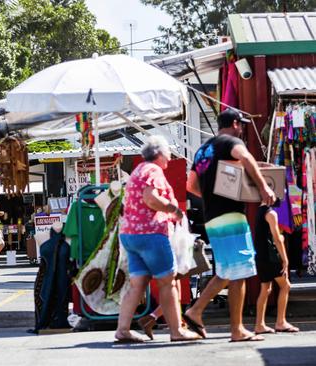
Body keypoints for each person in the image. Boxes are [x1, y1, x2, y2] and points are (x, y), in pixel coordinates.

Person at [185, 108, 276, 342]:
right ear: (235, 123)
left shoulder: (203, 150)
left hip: (212, 217)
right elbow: (245, 158)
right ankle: (235, 329)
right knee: (240, 271)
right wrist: (264, 187)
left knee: (228, 270)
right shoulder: (231, 142)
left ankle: (196, 311)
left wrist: (212, 195)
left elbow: (191, 185)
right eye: (241, 124)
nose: (242, 128)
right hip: (231, 215)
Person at [115, 135, 201, 343]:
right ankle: (176, 330)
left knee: (137, 284)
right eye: (169, 153)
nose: (170, 158)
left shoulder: (138, 170)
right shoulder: (153, 170)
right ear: (160, 153)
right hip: (151, 233)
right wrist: (174, 210)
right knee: (167, 282)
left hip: (131, 234)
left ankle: (123, 329)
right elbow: (151, 199)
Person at [253, 201, 299, 335]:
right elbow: (277, 238)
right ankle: (280, 322)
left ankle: (259, 324)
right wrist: (285, 259)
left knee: (265, 289)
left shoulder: (260, 211)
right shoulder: (271, 213)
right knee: (286, 286)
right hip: (271, 257)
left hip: (261, 256)